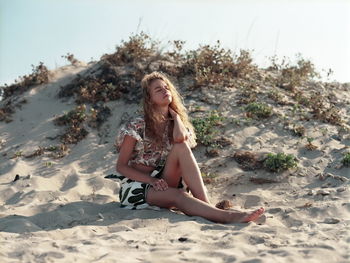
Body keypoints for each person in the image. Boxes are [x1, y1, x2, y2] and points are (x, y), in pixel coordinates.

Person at [115, 71, 265, 223]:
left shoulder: (175, 123)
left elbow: (180, 139)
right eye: (158, 90)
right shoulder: (137, 125)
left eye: (166, 87)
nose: (165, 90)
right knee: (179, 196)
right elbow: (121, 166)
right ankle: (228, 217)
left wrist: (176, 117)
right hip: (139, 185)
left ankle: (207, 207)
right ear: (149, 99)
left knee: (181, 147)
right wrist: (151, 181)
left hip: (163, 180)